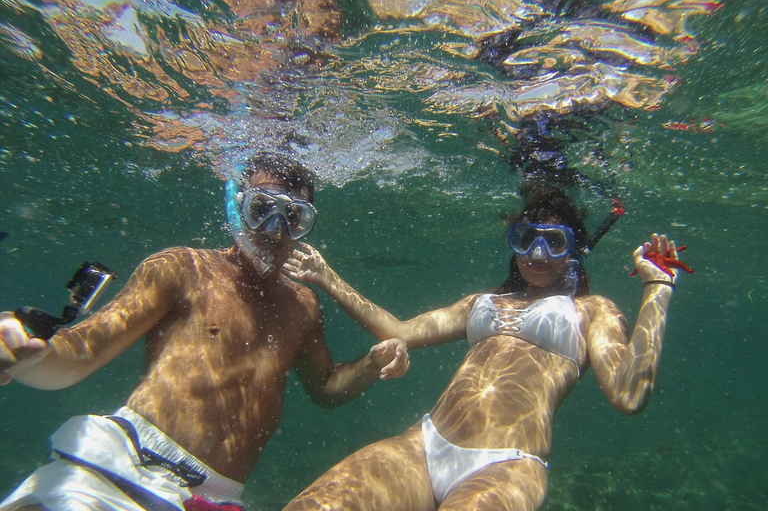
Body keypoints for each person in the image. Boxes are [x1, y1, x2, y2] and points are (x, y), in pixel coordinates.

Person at [0, 152, 409, 511]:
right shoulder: (181, 268)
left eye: (294, 217)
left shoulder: (303, 304)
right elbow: (79, 352)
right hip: (124, 466)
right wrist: (31, 355)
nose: (274, 229)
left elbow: (326, 388)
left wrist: (372, 363)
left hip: (217, 499)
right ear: (235, 207)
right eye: (261, 207)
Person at [281, 184, 689, 511]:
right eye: (526, 238)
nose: (538, 253)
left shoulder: (592, 310)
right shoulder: (482, 302)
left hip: (507, 466)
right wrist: (328, 279)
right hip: (424, 445)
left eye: (554, 242)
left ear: (574, 251)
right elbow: (399, 329)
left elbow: (629, 392)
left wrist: (658, 287)